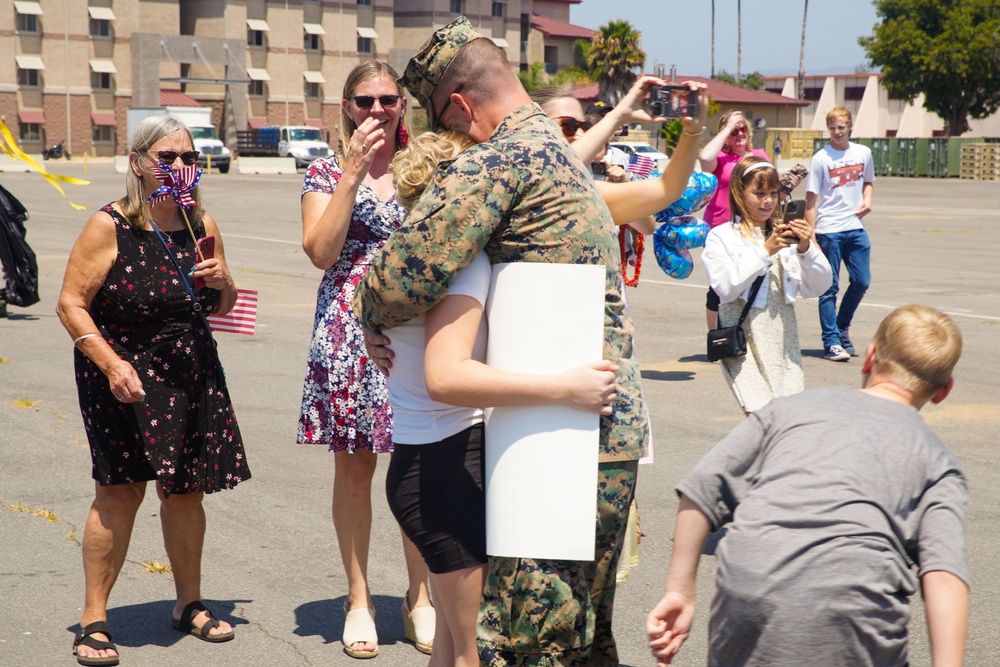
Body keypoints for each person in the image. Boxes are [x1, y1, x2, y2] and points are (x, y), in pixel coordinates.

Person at [353, 16, 707, 666]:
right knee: (584, 637)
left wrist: (367, 309)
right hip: (602, 436)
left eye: (446, 124)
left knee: (530, 644)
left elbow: (396, 276)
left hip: (558, 442)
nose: (452, 138)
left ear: (460, 105)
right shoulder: (554, 152)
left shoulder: (501, 160)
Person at [382, 128, 619, 667]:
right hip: (445, 469)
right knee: (473, 655)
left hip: (421, 464)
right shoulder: (464, 263)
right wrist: (564, 387)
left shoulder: (403, 259)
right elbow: (447, 377)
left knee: (448, 646)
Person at [647, 304, 968, 667]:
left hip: (749, 596)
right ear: (943, 391)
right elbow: (944, 577)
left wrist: (679, 591)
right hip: (854, 614)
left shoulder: (789, 410)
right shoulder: (938, 462)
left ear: (870, 356)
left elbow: (702, 491)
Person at [56, 114, 250, 666]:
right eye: (168, 159)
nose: (180, 168)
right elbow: (70, 303)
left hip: (190, 370)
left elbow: (222, 306)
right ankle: (94, 618)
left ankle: (188, 603)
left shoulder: (199, 221)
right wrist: (112, 364)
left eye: (189, 158)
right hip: (123, 377)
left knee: (186, 492)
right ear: (140, 163)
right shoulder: (109, 225)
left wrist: (223, 283)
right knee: (120, 492)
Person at [296, 60, 433, 659]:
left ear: (403, 105)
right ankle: (358, 598)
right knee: (354, 472)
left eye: (387, 100)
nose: (376, 110)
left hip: (416, 329)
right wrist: (351, 173)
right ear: (346, 108)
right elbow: (321, 253)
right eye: (364, 101)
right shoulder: (325, 169)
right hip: (349, 332)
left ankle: (420, 598)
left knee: (420, 464)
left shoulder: (425, 164)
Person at [701, 156, 832, 414]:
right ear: (739, 192)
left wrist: (806, 249)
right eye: (759, 193)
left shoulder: (787, 234)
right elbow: (724, 288)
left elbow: (819, 285)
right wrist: (765, 250)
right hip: (744, 336)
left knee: (786, 416)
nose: (768, 201)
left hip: (783, 335)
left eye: (773, 193)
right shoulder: (722, 236)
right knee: (760, 416)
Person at [806, 106, 876, 362]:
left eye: (841, 127)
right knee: (829, 287)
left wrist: (868, 199)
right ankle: (832, 342)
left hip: (855, 227)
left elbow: (868, 181)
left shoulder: (863, 153)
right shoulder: (821, 159)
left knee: (861, 281)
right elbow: (810, 200)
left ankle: (841, 327)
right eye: (832, 128)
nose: (837, 132)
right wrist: (812, 237)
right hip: (829, 230)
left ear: (850, 128)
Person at [699, 111, 770, 330]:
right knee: (718, 286)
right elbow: (704, 159)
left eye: (743, 129)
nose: (739, 134)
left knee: (752, 276)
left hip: (751, 227)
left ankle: (746, 331)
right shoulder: (720, 158)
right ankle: (716, 337)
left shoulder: (759, 156)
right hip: (721, 227)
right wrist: (727, 126)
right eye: (734, 131)